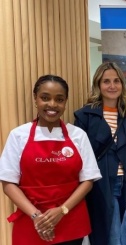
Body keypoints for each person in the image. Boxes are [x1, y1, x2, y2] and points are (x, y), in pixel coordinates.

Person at [0, 75, 102, 245]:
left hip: (70, 219)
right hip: (31, 221)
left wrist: (62, 210)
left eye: (59, 99)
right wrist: (37, 216)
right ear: (35, 99)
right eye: (45, 98)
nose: (52, 104)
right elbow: (8, 183)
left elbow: (88, 180)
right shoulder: (18, 135)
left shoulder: (78, 135)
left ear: (65, 102)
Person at [74, 62, 126, 245]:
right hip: (101, 185)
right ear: (98, 85)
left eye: (116, 81)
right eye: (106, 81)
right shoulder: (85, 116)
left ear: (122, 84)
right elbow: (79, 158)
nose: (112, 86)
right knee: (111, 237)